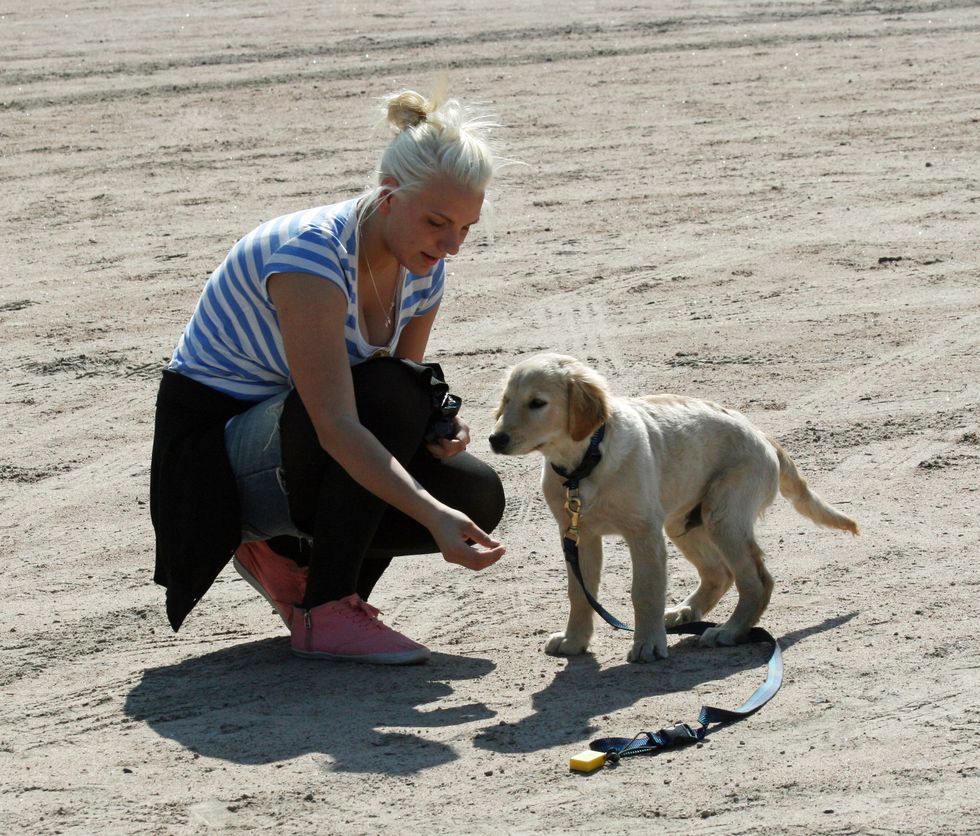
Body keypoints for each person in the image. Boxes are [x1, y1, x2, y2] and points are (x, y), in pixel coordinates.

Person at [150, 87, 508, 665]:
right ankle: (325, 608)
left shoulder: (424, 269)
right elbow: (343, 421)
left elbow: (400, 393)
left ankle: (316, 585)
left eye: (466, 227)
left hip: (293, 442)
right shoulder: (312, 255)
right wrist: (429, 514)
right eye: (438, 222)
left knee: (475, 490)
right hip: (209, 463)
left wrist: (439, 427)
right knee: (390, 400)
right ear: (389, 198)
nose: (452, 246)